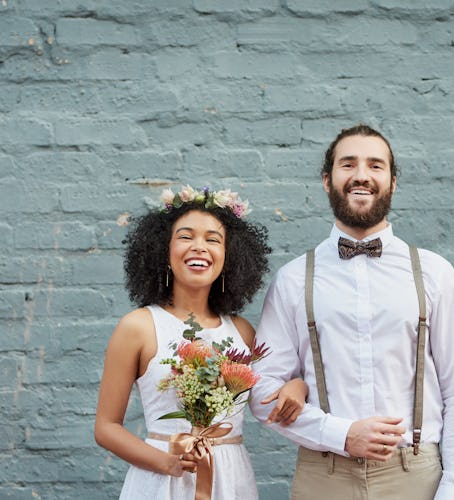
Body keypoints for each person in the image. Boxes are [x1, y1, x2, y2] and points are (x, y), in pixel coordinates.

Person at [249, 124, 454, 500]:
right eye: (349, 164)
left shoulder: (433, 273)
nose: (361, 174)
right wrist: (340, 434)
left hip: (416, 475)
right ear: (327, 181)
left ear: (392, 182)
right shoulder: (293, 279)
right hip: (323, 476)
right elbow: (261, 390)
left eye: (375, 165)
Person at [95, 185, 308, 500]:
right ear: (163, 251)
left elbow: (271, 395)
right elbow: (106, 427)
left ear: (228, 256)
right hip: (159, 481)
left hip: (231, 480)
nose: (199, 247)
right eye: (185, 237)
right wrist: (169, 462)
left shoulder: (242, 332)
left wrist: (298, 387)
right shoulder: (138, 327)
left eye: (213, 239)